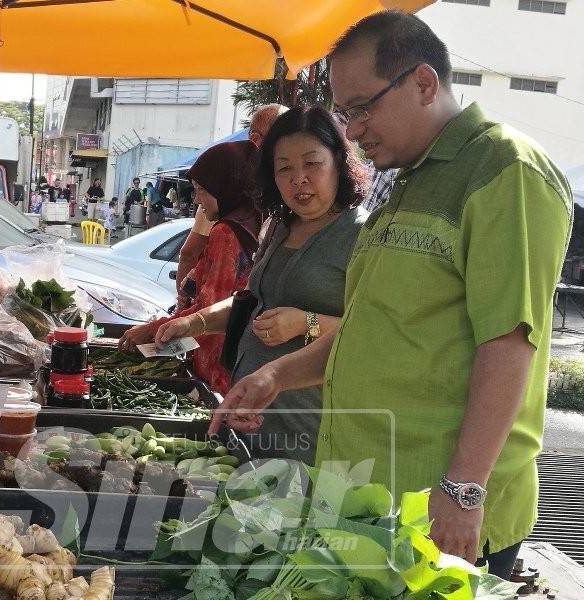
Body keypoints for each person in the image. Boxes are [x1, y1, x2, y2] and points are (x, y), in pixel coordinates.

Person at [211, 10, 572, 579]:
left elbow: (510, 344)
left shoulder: (505, 170)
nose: (352, 129)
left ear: (424, 83)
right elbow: (373, 331)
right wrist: (275, 376)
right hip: (368, 497)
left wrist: (465, 487)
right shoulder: (407, 182)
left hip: (438, 512)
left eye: (361, 107)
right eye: (346, 112)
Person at [156, 106, 369, 464]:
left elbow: (374, 332)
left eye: (311, 164)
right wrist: (193, 323)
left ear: (339, 162)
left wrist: (307, 323)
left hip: (310, 426)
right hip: (250, 414)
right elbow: (252, 303)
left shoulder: (362, 235)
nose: (298, 179)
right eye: (284, 168)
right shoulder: (280, 227)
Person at [118, 141, 263, 394]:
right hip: (241, 359)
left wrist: (154, 330)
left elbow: (210, 309)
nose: (196, 199)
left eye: (201, 191)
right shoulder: (255, 220)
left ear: (224, 187)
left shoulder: (226, 233)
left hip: (216, 362)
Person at [175, 104, 289, 310]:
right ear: (256, 141)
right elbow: (192, 255)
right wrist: (183, 307)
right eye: (283, 140)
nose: (197, 199)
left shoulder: (228, 223)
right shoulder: (225, 194)